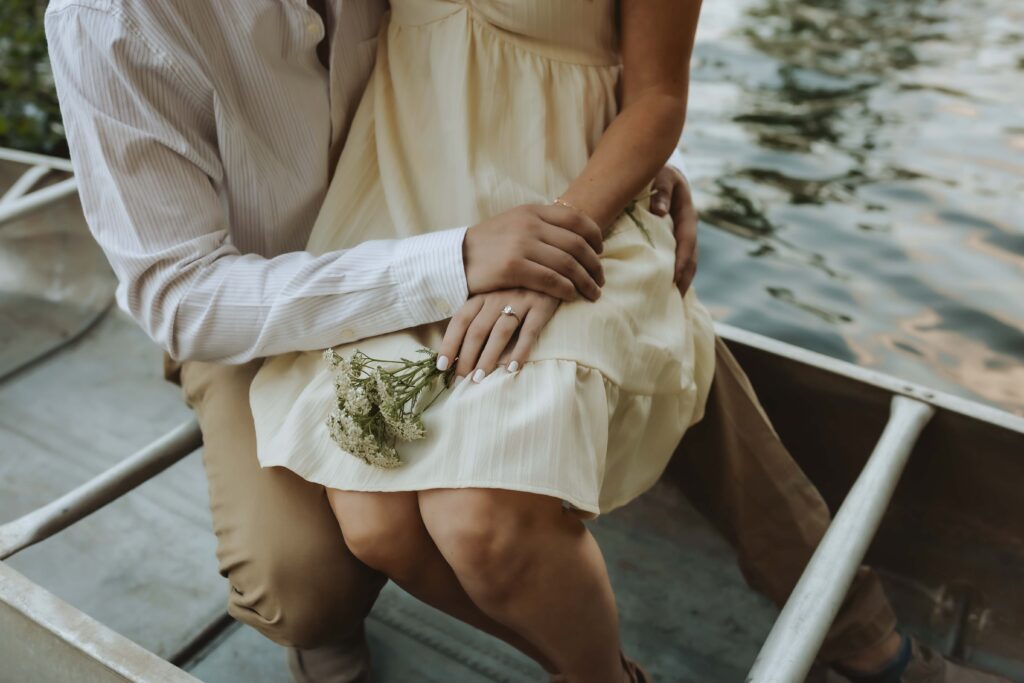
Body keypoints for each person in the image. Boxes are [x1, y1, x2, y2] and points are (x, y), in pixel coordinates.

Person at [43, 1, 1010, 682]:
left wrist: (626, 170)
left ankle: (863, 634)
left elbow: (629, 83)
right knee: (312, 581)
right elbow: (183, 296)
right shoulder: (110, 22)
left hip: (477, 209)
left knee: (675, 347)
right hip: (253, 301)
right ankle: (342, 647)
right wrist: (458, 257)